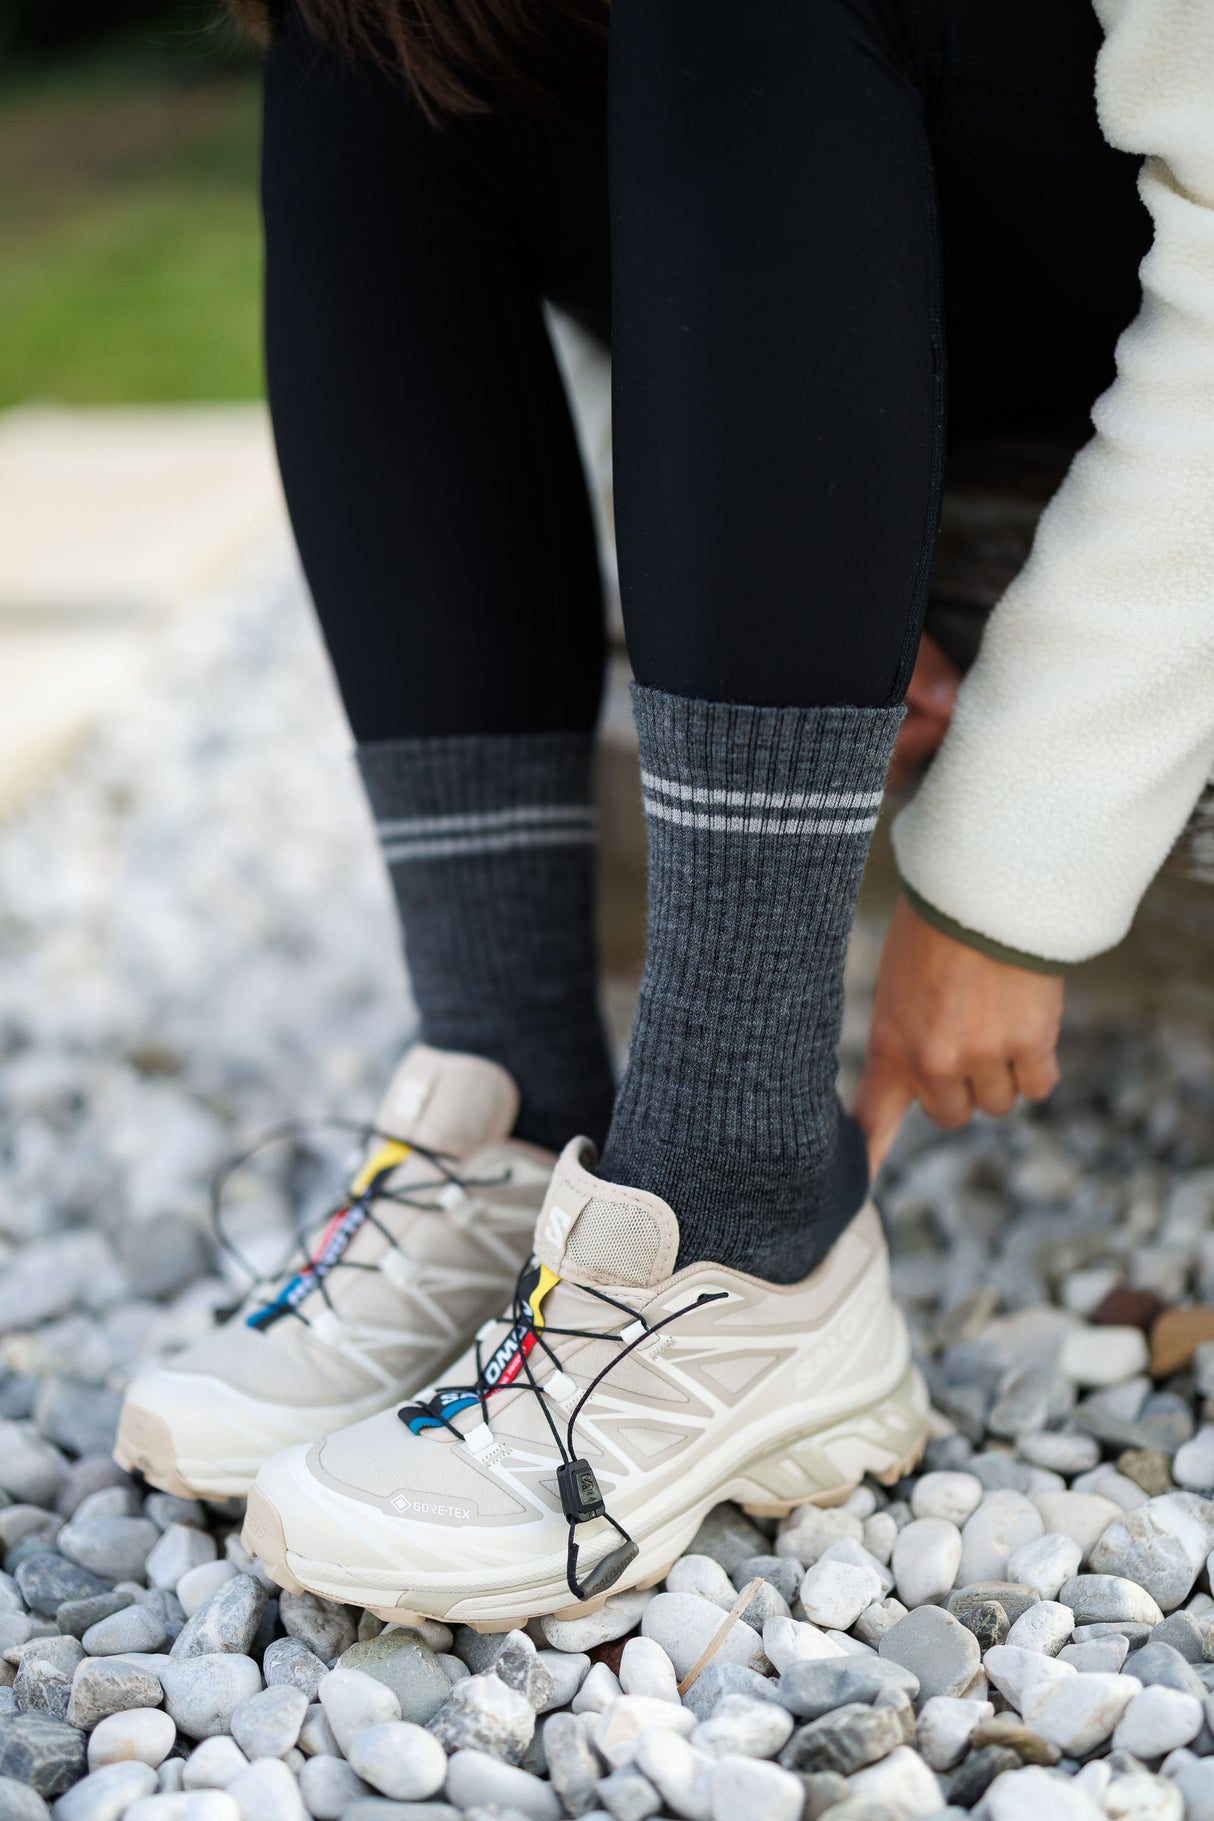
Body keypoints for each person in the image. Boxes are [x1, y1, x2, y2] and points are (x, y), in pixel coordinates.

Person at [116, 0, 1212, 1623]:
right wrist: (794, 568)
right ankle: (512, 1091)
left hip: (1135, 243)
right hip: (885, 223)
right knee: (376, 52)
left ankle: (740, 1210)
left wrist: (1003, 872)